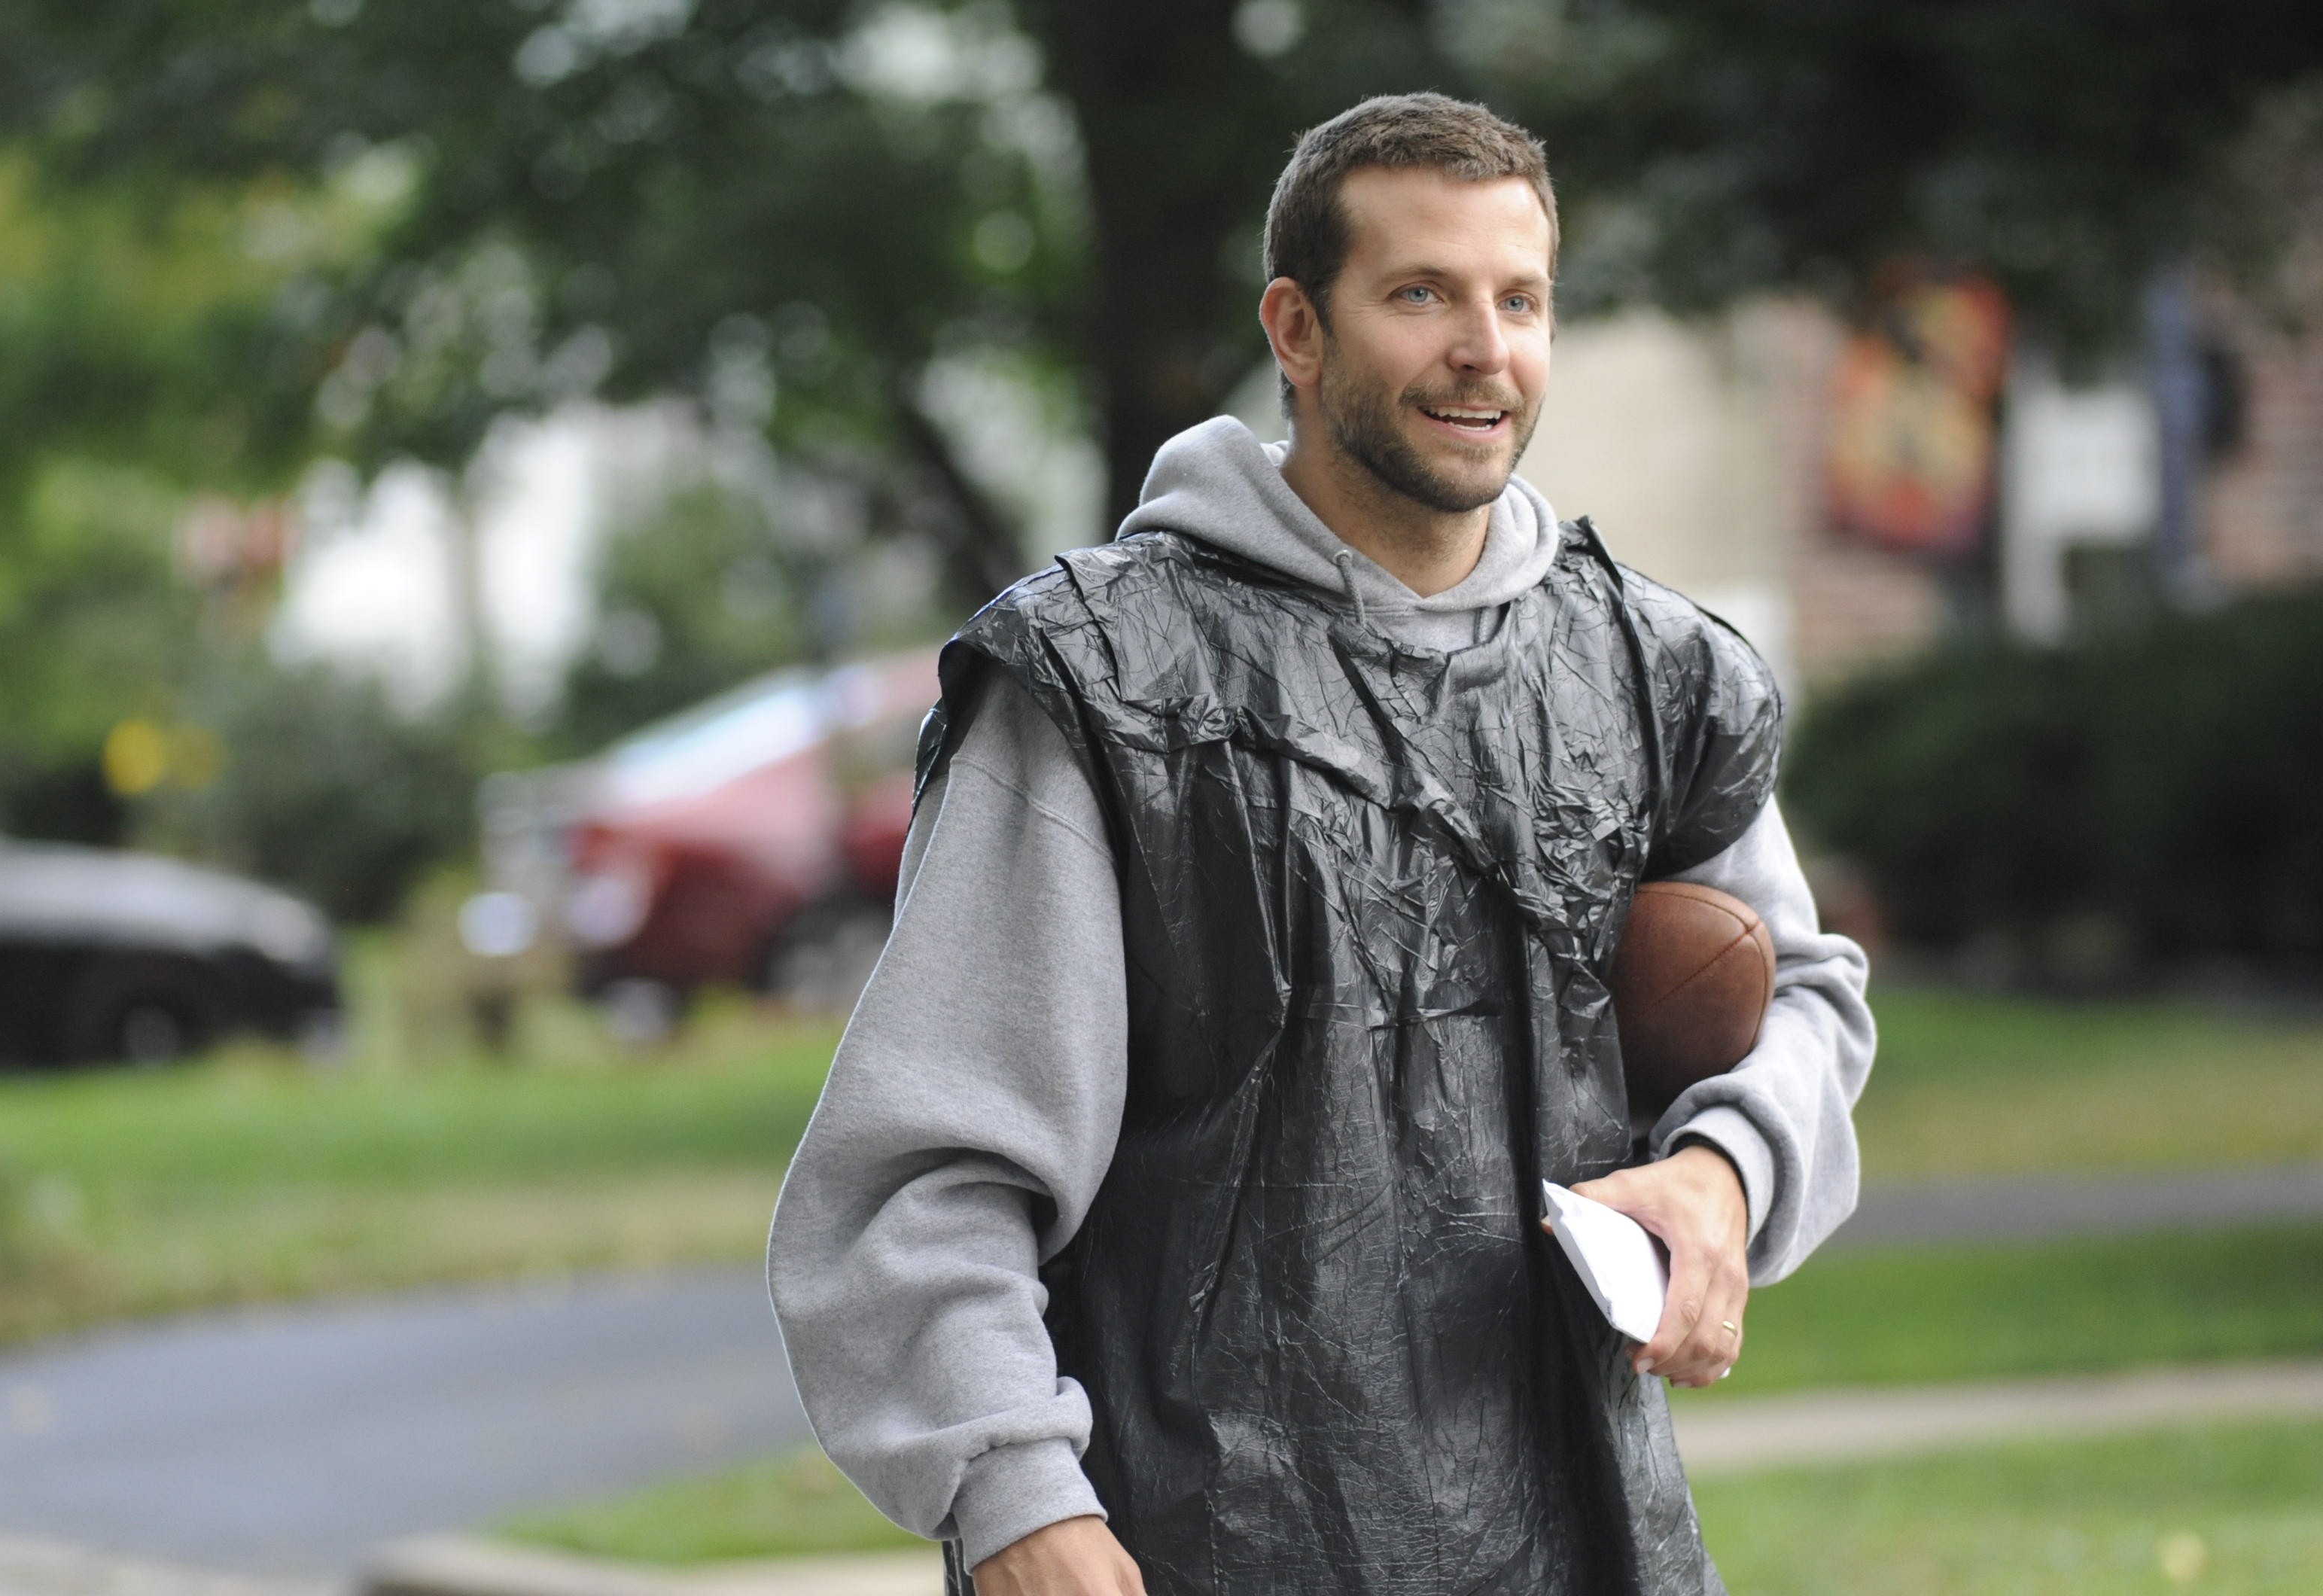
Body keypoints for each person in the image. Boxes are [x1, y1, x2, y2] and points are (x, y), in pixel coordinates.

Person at [770, 93, 1874, 1596]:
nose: (1481, 348)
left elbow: (1803, 993)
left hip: (1590, 1536)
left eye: (1520, 299)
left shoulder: (1647, 669)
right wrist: (1013, 1489)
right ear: (1296, 329)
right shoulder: (1105, 680)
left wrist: (1722, 1172)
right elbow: (927, 1166)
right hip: (1198, 1537)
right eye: (1419, 293)